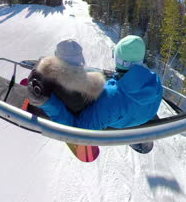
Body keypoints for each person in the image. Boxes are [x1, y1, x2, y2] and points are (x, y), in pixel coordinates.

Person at [27, 35, 163, 132]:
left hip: (119, 122)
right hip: (141, 115)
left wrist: (48, 104)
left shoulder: (110, 97)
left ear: (120, 61)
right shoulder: (155, 81)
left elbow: (78, 129)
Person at [27, 39, 105, 114]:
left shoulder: (50, 76)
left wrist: (40, 64)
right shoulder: (94, 86)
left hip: (52, 116)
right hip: (78, 115)